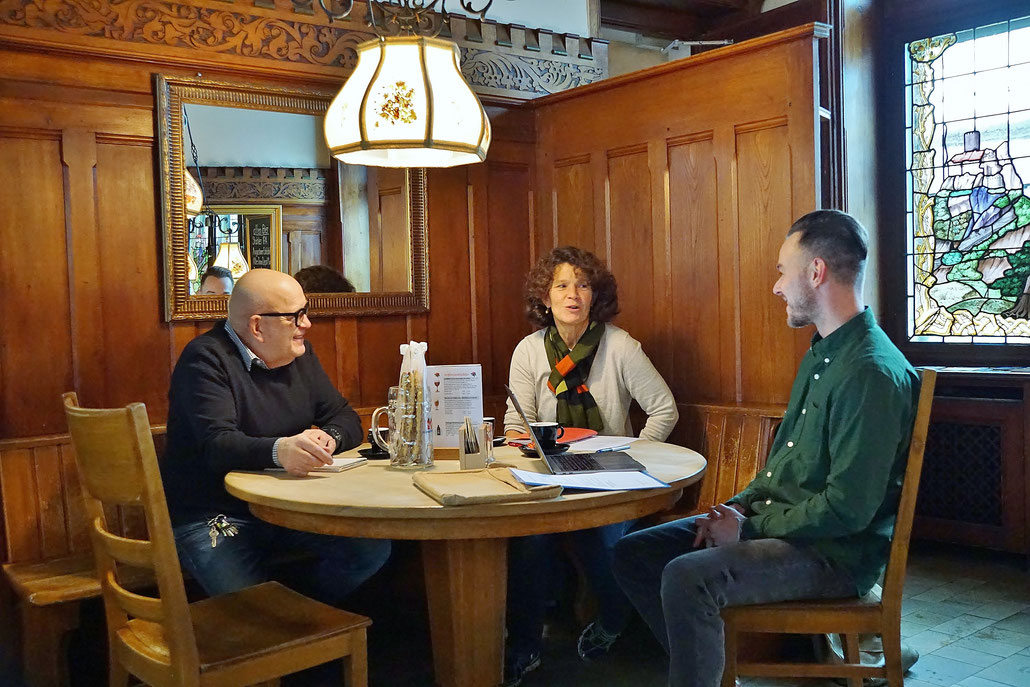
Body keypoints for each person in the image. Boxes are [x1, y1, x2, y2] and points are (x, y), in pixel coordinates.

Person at [613, 209, 920, 687]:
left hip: (832, 555)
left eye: (782, 270)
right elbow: (783, 468)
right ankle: (710, 670)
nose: (777, 286)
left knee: (687, 577)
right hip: (787, 528)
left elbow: (849, 510)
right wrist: (734, 509)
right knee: (633, 554)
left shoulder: (870, 373)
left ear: (815, 271)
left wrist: (749, 527)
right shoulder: (823, 353)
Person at [502, 246, 678, 685]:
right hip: (547, 474)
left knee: (600, 540)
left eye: (583, 284)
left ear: (595, 295)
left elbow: (664, 410)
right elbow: (514, 421)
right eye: (561, 285)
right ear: (545, 298)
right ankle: (524, 647)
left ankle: (616, 618)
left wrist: (632, 456)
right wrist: (525, 444)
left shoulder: (620, 345)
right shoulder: (528, 350)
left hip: (609, 475)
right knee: (528, 542)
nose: (573, 294)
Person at [161, 268, 391, 607]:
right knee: (256, 608)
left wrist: (330, 437)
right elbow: (218, 445)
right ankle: (288, 627)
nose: (307, 324)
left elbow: (343, 417)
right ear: (257, 326)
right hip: (215, 514)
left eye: (305, 312)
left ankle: (301, 618)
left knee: (371, 549)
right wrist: (280, 450)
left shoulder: (299, 355)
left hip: (287, 508)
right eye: (295, 317)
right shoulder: (205, 360)